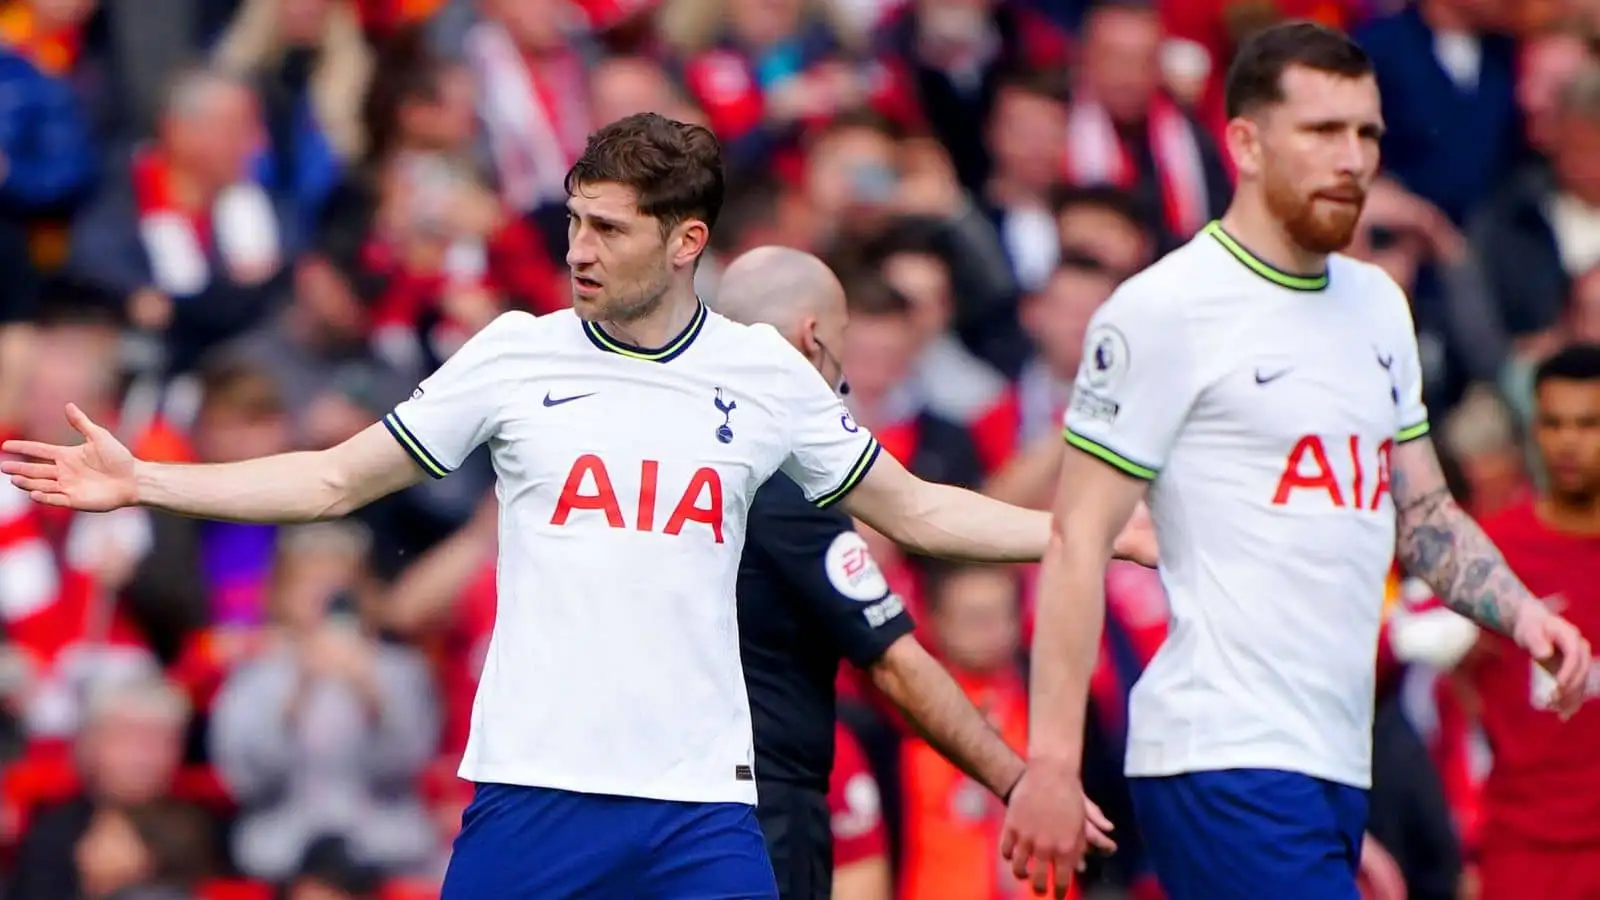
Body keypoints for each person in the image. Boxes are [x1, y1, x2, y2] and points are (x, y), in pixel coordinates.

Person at [3, 114, 1091, 900]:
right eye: (574, 221)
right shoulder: (516, 357)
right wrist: (143, 481)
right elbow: (334, 477)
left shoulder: (761, 375)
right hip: (535, 790)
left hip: (700, 807)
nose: (577, 249)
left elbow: (919, 514)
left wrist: (1084, 536)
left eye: (609, 229)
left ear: (684, 244)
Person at [999, 22, 1594, 900]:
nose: (1352, 158)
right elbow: (1077, 539)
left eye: (1366, 134)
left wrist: (1518, 613)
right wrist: (1049, 762)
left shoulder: (1379, 305)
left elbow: (1422, 513)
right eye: (1321, 131)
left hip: (1333, 755)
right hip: (1220, 750)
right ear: (1243, 141)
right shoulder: (1166, 309)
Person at [712, 246, 1142, 900]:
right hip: (757, 804)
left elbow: (917, 509)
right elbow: (895, 661)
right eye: (844, 351)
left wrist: (1095, 535)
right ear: (812, 339)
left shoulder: (672, 447)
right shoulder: (782, 471)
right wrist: (1021, 781)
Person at [1456, 344, 1600, 900]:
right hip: (1522, 850)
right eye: (1554, 423)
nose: (1569, 442)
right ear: (1533, 431)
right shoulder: (1489, 553)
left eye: (1589, 424)